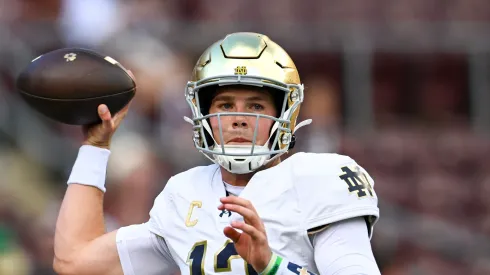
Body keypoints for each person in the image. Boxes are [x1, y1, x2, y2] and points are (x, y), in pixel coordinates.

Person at [53, 32, 381, 275]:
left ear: (285, 115)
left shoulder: (320, 179)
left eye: (255, 106)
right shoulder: (184, 194)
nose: (238, 118)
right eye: (225, 105)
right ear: (203, 114)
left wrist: (271, 266)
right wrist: (95, 148)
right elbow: (75, 262)